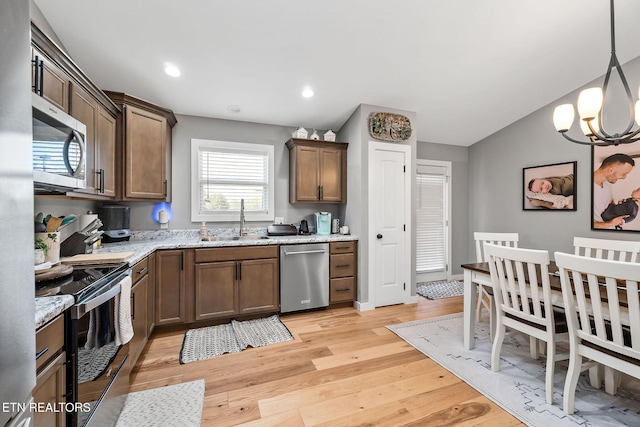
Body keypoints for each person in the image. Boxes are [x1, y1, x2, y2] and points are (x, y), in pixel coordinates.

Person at [593, 153, 635, 229]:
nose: (624, 177)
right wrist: (610, 223)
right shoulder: (584, 186)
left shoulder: (607, 184)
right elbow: (581, 224)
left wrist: (618, 208)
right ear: (610, 170)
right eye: (624, 174)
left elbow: (609, 202)